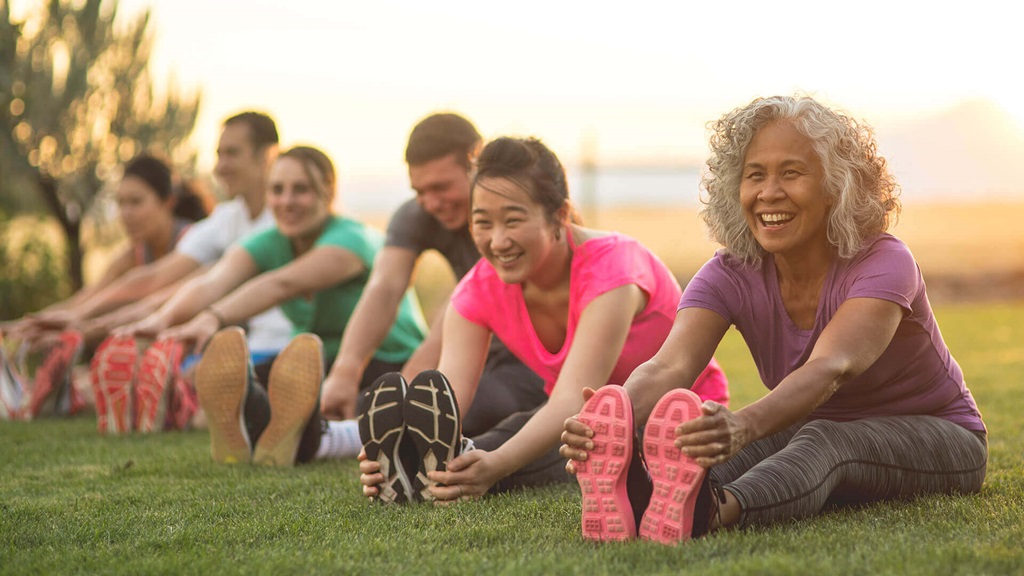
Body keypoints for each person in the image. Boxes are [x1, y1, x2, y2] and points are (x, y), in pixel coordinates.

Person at [559, 95, 988, 544]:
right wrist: (615, 420)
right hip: (809, 423)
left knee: (823, 439)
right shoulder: (729, 273)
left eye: (791, 173)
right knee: (699, 446)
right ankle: (644, 496)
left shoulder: (883, 260)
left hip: (942, 435)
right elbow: (669, 366)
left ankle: (713, 511)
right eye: (755, 175)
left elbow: (831, 367)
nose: (769, 193)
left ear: (835, 186)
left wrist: (742, 424)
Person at [358, 137, 729, 503]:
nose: (497, 240)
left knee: (552, 443)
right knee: (512, 434)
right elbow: (448, 402)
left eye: (513, 220)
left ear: (560, 215)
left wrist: (495, 464)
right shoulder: (478, 289)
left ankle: (437, 476)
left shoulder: (613, 270)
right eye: (482, 222)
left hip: (674, 418)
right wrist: (408, 443)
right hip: (577, 424)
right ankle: (414, 472)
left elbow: (571, 399)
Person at [126, 145, 426, 465]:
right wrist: (163, 321)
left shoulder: (352, 239)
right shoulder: (272, 240)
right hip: (314, 364)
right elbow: (215, 280)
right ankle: (251, 424)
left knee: (373, 406)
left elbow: (282, 284)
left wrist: (211, 318)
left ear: (329, 190)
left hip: (384, 360)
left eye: (301, 190)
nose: (286, 202)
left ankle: (295, 433)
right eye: (277, 190)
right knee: (251, 381)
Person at [320, 113, 548, 439]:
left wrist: (404, 398)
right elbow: (384, 287)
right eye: (420, 190)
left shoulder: (511, 220)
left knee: (466, 409)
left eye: (440, 187)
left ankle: (347, 436)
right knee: (368, 400)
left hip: (527, 364)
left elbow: (456, 312)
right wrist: (346, 370)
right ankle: (318, 432)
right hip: (468, 357)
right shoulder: (418, 214)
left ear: (477, 162)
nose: (430, 203)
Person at [5, 154, 208, 419]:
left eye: (136, 202)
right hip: (151, 350)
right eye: (121, 203)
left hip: (193, 351)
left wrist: (80, 331)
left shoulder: (194, 243)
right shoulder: (134, 253)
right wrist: (26, 325)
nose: (126, 214)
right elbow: (90, 297)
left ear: (167, 202)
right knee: (88, 382)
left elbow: (163, 300)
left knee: (97, 386)